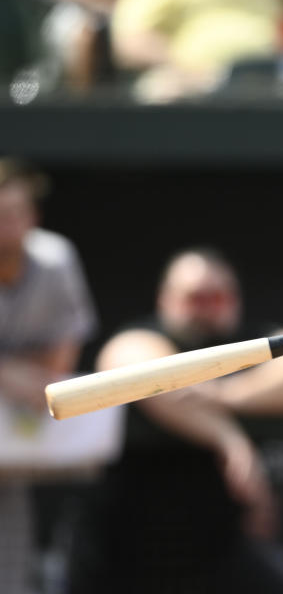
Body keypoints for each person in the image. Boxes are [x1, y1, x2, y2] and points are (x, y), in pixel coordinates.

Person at [66, 247, 283, 594]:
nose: (205, 308)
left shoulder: (250, 340)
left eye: (216, 297)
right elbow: (136, 371)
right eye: (194, 297)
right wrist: (227, 438)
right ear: (166, 299)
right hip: (126, 543)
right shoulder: (144, 335)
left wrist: (220, 394)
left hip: (221, 548)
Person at [0, 159, 97, 594]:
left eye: (12, 214)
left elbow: (55, 374)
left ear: (31, 217)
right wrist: (20, 368)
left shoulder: (53, 260)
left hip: (22, 431)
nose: (4, 226)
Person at [109, 0, 283, 102]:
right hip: (192, 83)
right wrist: (192, 71)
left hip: (272, 80)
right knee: (162, 89)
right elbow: (131, 41)